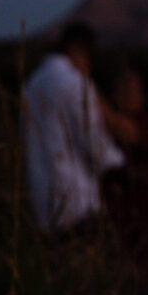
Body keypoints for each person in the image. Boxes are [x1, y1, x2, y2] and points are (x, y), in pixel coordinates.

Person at [23, 22, 126, 233]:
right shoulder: (75, 82)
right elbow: (95, 143)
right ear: (78, 49)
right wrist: (119, 161)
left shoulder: (33, 82)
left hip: (42, 203)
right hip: (78, 203)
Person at [102, 64, 148, 264]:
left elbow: (128, 131)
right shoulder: (105, 131)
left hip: (144, 221)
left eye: (127, 86)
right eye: (118, 86)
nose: (120, 91)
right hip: (115, 222)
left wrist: (89, 97)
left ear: (142, 94)